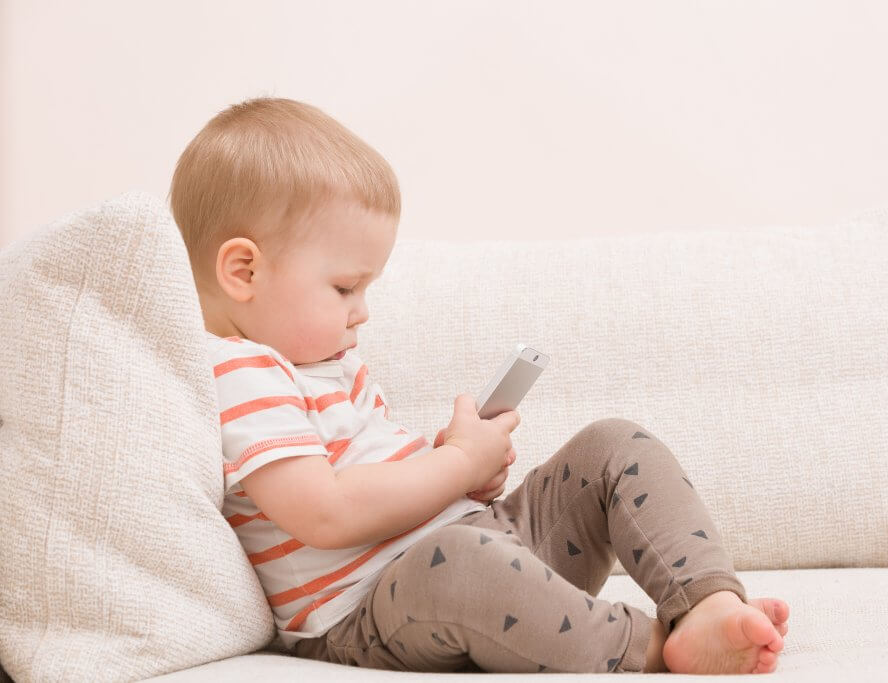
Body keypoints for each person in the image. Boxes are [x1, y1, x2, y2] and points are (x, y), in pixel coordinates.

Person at [168, 96, 790, 674]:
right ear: (243, 270)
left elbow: (379, 473)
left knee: (613, 444)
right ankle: (653, 646)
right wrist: (459, 463)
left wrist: (456, 468)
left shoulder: (326, 362)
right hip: (371, 609)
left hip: (480, 552)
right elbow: (326, 513)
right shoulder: (239, 372)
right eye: (344, 288)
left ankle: (704, 601)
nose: (363, 311)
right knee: (460, 568)